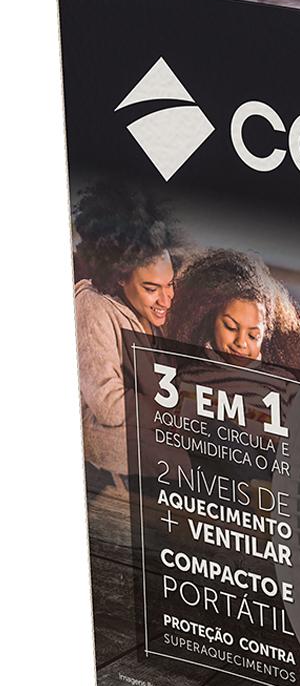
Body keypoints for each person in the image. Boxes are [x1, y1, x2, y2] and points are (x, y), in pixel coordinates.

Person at [73, 182, 184, 481]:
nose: (166, 300)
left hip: (150, 430)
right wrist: (169, 413)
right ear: (120, 277)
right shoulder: (92, 306)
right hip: (107, 439)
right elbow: (109, 406)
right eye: (151, 288)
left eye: (170, 284)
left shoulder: (149, 315)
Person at [167, 248, 300, 364]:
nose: (241, 343)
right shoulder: (185, 371)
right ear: (208, 317)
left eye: (253, 336)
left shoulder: (281, 380)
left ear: (266, 334)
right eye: (230, 327)